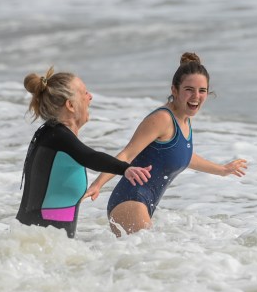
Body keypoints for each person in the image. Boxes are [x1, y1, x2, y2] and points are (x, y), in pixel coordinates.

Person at [85, 52, 248, 236]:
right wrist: (97, 184)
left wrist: (221, 170)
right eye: (189, 89)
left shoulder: (184, 120)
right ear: (174, 90)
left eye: (202, 90)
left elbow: (183, 155)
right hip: (130, 201)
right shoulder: (162, 119)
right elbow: (127, 155)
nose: (196, 96)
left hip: (142, 204)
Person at [17, 67, 151, 238]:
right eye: (84, 93)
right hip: (41, 235)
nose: (90, 97)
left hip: (34, 235)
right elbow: (90, 157)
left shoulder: (50, 134)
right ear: (70, 105)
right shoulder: (58, 137)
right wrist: (125, 169)